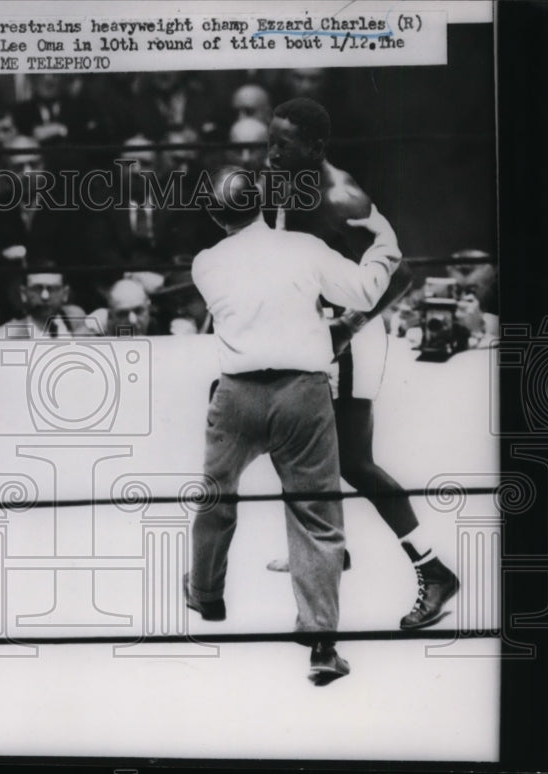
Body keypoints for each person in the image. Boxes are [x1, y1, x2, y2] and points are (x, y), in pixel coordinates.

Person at [186, 167, 402, 684]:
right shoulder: (303, 248)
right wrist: (384, 243)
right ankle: (322, 644)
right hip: (302, 392)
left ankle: (206, 596)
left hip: (236, 394)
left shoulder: (206, 263)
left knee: (216, 497)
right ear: (260, 204)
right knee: (316, 514)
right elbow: (367, 291)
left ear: (214, 215)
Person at [266, 98, 459, 630]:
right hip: (318, 335)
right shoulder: (291, 185)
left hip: (352, 340)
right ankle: (332, 547)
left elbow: (402, 273)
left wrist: (346, 328)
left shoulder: (341, 197)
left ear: (315, 147)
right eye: (270, 141)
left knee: (354, 461)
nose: (272, 153)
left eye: (284, 144)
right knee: (302, 443)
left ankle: (434, 570)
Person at [0, 267, 86, 339]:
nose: (45, 296)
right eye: (37, 288)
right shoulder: (8, 335)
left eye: (53, 289)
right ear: (24, 293)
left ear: (65, 293)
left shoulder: (77, 322)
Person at [84, 278, 154, 337]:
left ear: (149, 309)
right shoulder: (97, 323)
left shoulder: (157, 327)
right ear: (110, 317)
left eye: (138, 311)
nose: (132, 320)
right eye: (123, 314)